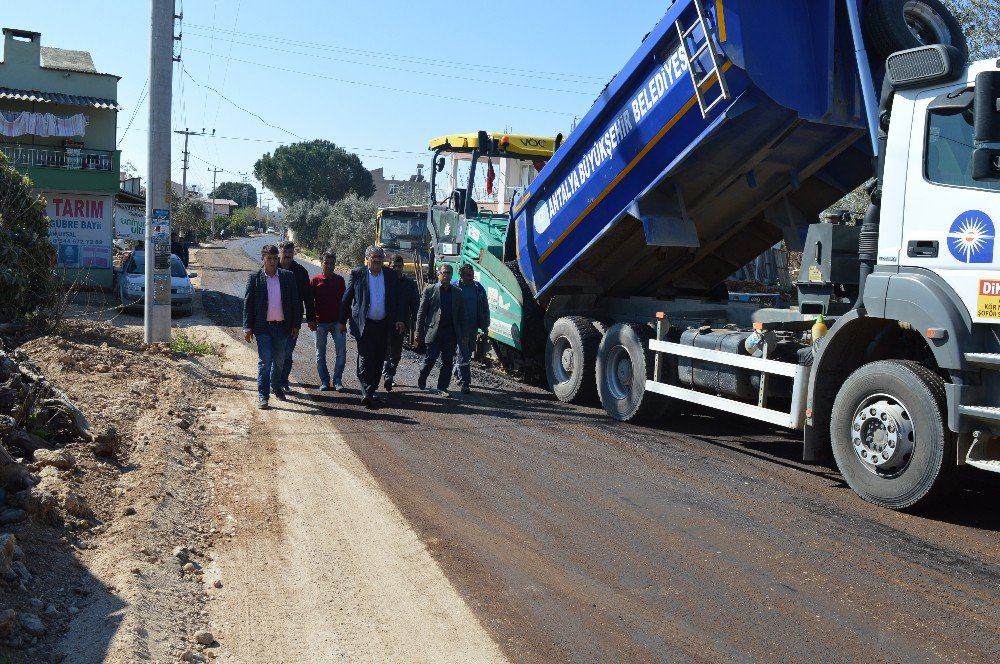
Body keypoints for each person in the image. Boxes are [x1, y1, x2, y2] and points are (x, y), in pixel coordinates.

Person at [340, 246, 405, 409]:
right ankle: (366, 392)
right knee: (364, 357)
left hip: (384, 324)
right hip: (364, 324)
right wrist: (342, 321)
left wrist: (399, 319)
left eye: (380, 257)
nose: (377, 259)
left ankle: (372, 388)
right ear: (367, 258)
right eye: (374, 257)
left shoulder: (390, 275)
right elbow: (347, 299)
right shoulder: (358, 273)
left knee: (378, 358)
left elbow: (398, 299)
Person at [242, 244, 301, 409]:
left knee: (280, 361)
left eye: (275, 258)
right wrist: (247, 327)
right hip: (263, 328)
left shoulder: (288, 277)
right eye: (269, 258)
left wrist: (296, 324)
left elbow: (295, 303)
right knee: (265, 362)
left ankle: (276, 385)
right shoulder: (254, 278)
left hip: (282, 328)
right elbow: (248, 304)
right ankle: (263, 396)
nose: (273, 261)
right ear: (263, 259)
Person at [415, 264, 468, 397]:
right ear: (438, 274)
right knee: (430, 359)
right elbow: (421, 314)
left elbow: (462, 315)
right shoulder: (430, 290)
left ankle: (442, 387)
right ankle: (423, 375)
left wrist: (464, 334)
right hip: (434, 332)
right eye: (444, 272)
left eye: (449, 273)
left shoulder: (457, 293)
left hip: (450, 334)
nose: (446, 275)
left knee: (447, 362)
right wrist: (419, 333)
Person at [276, 240, 315, 393]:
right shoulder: (271, 268)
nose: (287, 254)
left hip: (293, 321)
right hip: (272, 320)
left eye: (290, 252)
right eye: (284, 251)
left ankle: (283, 381)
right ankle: (274, 381)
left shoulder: (301, 272)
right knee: (274, 353)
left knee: (287, 353)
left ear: (294, 253)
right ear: (280, 252)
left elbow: (308, 297)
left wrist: (311, 318)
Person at [310, 250, 347, 392]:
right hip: (320, 323)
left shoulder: (340, 280)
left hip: (337, 322)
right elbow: (309, 301)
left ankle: (338, 380)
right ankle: (324, 380)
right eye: (326, 263)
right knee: (320, 354)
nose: (329, 265)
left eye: (332, 263)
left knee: (342, 352)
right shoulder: (315, 281)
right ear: (321, 263)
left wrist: (343, 321)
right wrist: (311, 320)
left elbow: (345, 302)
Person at [383, 254, 420, 392]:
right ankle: (388, 375)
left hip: (401, 324)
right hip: (384, 322)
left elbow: (415, 304)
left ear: (403, 266)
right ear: (389, 266)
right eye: (394, 266)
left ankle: (390, 374)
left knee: (396, 353)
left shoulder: (409, 283)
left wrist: (417, 325)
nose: (397, 269)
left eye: (399, 266)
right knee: (385, 351)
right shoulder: (384, 282)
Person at [452, 263, 490, 393]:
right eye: (468, 275)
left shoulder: (478, 288)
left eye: (472, 275)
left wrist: (485, 325)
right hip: (458, 327)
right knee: (463, 353)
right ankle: (465, 382)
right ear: (461, 275)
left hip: (473, 327)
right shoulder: (454, 287)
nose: (471, 277)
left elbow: (485, 307)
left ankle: (457, 373)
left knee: (467, 353)